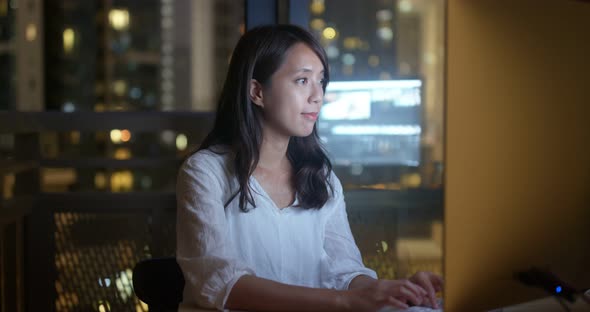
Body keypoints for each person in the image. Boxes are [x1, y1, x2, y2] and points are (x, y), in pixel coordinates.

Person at [176, 24, 443, 312]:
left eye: (321, 81)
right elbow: (221, 284)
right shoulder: (205, 173)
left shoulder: (321, 177)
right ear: (257, 91)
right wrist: (346, 301)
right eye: (302, 81)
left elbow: (345, 272)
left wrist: (392, 291)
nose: (318, 95)